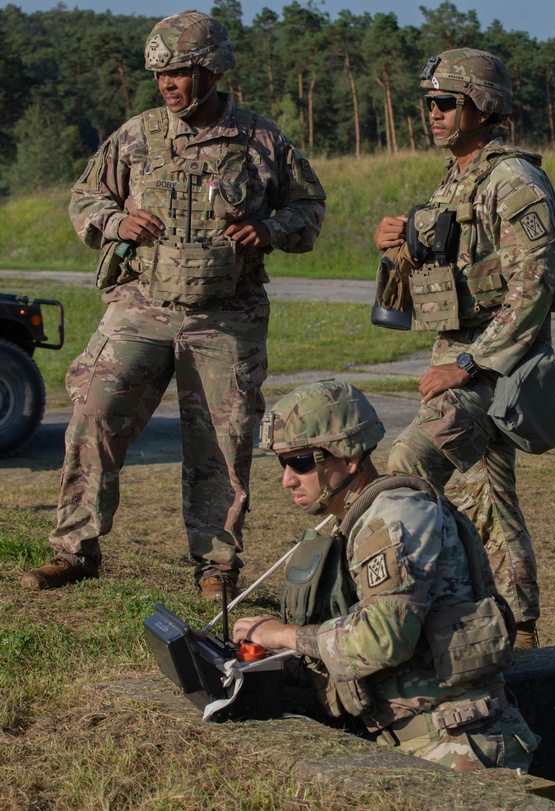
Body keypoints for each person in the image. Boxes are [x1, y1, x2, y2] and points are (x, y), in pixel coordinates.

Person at [21, 11, 326, 598]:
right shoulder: (135, 136)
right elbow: (84, 198)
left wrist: (270, 227)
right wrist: (114, 220)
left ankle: (216, 564)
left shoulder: (260, 140)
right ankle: (75, 550)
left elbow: (310, 208)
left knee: (224, 437)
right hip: (141, 304)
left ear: (211, 71)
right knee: (92, 410)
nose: (168, 83)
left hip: (225, 314)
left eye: (180, 72)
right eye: (160, 73)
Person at [232, 380, 539, 771]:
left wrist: (283, 634)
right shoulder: (361, 521)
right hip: (424, 742)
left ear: (349, 458)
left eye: (303, 462)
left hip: (456, 747)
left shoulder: (395, 518)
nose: (288, 479)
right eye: (283, 463)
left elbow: (383, 636)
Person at [372, 48, 555, 648]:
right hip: (457, 357)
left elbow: (533, 289)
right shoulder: (459, 178)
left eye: (444, 103)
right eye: (428, 103)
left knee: (409, 462)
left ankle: (418, 602)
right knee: (483, 488)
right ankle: (515, 622)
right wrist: (400, 241)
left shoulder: (515, 182)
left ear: (481, 108)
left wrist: (468, 363)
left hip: (491, 368)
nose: (431, 113)